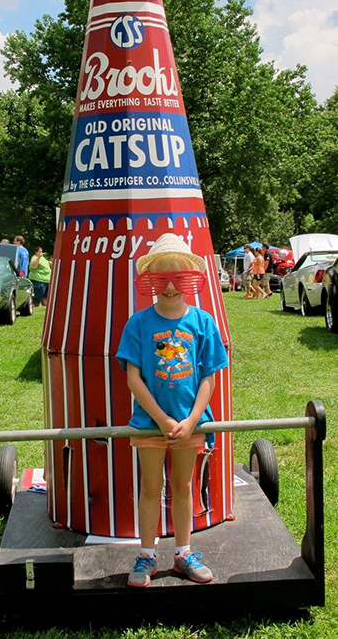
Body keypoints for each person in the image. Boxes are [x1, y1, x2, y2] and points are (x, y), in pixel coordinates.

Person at [116, 234, 228, 588]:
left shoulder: (203, 322)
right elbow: (134, 378)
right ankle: (146, 554)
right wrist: (162, 420)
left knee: (183, 487)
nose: (169, 287)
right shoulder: (137, 324)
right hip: (149, 425)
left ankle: (183, 552)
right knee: (151, 487)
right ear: (149, 282)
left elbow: (209, 377)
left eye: (178, 279)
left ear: (190, 281)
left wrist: (192, 419)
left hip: (190, 424)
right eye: (161, 279)